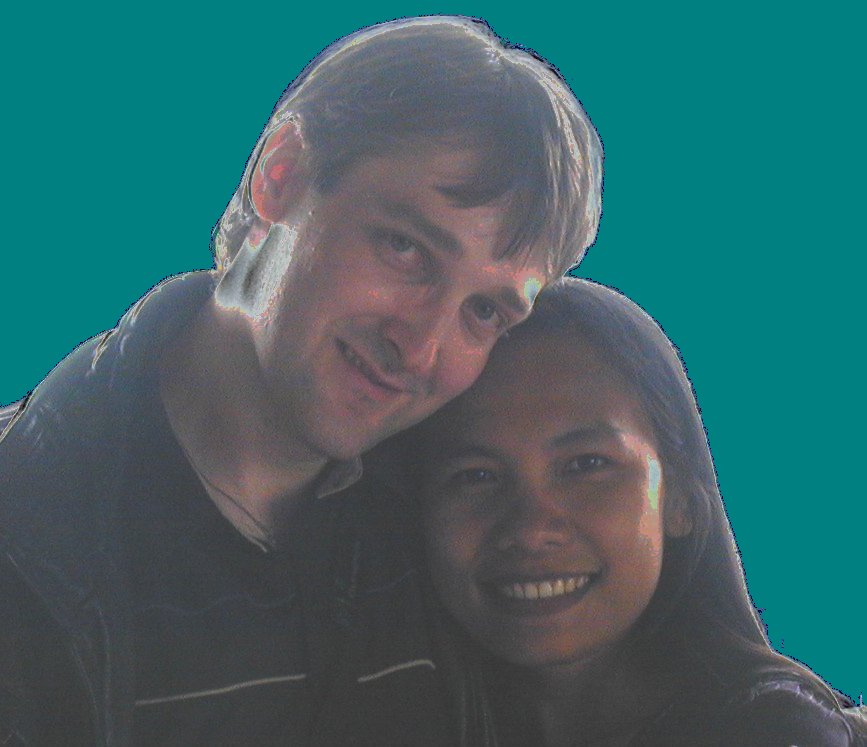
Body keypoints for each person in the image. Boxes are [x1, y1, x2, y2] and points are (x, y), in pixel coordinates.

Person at [0, 17, 603, 745]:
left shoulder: (456, 509)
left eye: (483, 311)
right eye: (405, 247)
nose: (419, 349)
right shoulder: (27, 528)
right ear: (280, 175)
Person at [401, 278, 866, 745]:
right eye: (476, 476)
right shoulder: (401, 718)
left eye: (586, 465)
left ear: (679, 498)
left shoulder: (768, 733)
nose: (530, 530)